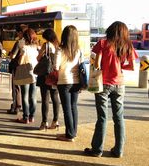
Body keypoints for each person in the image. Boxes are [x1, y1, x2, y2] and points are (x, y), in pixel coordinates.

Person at [84, 21, 138, 158]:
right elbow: (131, 66)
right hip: (120, 85)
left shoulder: (102, 43)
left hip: (103, 84)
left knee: (102, 117)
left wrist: (103, 65)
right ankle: (118, 150)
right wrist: (120, 67)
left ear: (110, 30)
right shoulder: (128, 45)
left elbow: (96, 63)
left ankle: (97, 150)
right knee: (119, 117)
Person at [54, 25, 82, 142]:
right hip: (76, 81)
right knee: (73, 106)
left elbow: (55, 66)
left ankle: (69, 135)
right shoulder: (78, 50)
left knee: (66, 108)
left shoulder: (60, 50)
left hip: (64, 81)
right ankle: (73, 132)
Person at [36, 29, 60, 130]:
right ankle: (55, 121)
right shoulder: (58, 45)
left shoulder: (46, 45)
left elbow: (38, 58)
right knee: (55, 98)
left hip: (45, 75)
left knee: (45, 98)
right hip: (55, 74)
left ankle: (44, 122)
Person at [16, 28, 39, 124]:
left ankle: (25, 117)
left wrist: (21, 53)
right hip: (35, 73)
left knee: (25, 96)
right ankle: (32, 116)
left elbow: (20, 62)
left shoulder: (25, 48)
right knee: (33, 96)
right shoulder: (36, 48)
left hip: (25, 73)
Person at [7, 26, 24, 114]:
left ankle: (16, 106)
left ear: (20, 32)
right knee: (23, 88)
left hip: (17, 66)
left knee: (16, 87)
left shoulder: (18, 42)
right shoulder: (30, 43)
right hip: (26, 67)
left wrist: (10, 54)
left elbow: (12, 56)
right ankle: (22, 106)